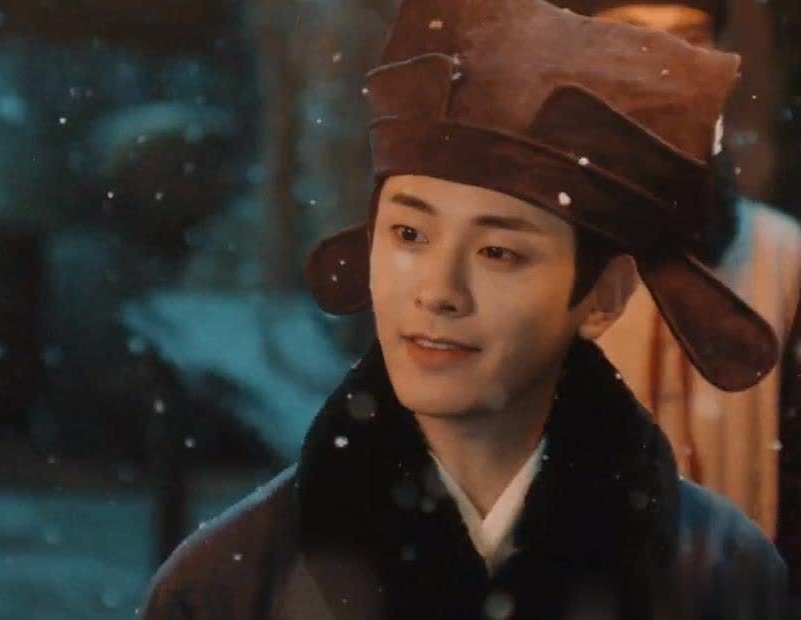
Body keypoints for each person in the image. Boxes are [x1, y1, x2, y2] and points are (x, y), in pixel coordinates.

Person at [140, 0, 789, 617]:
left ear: (602, 296)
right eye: (408, 234)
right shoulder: (227, 586)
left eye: (498, 251)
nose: (438, 290)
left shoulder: (721, 575)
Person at [551, 0, 801, 583]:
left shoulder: (785, 259)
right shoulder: (523, 249)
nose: (662, 64)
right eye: (629, 36)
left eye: (690, 38)